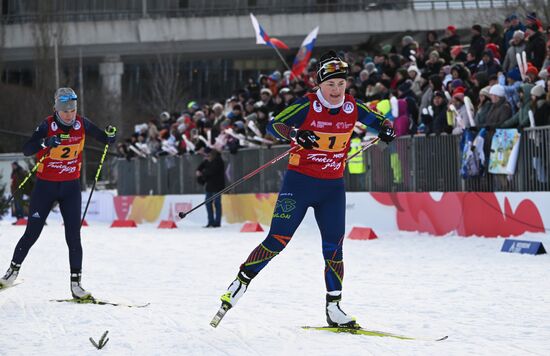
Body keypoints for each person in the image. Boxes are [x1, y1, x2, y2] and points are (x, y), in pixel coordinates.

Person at [218, 51, 396, 328]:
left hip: (333, 189)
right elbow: (273, 124)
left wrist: (386, 129)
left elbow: (381, 121)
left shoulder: (353, 107)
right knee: (278, 239)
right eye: (330, 85)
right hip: (299, 185)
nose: (336, 90)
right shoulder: (308, 105)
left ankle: (334, 306)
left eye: (341, 84)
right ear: (320, 85)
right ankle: (240, 281)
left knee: (334, 248)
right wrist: (295, 134)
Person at [0, 88, 117, 299]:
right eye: (65, 111)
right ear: (56, 109)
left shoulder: (82, 123)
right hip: (46, 187)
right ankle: (11, 272)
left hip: (71, 188)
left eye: (72, 110)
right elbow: (27, 148)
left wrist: (110, 135)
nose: (70, 115)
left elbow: (104, 139)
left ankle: (76, 285)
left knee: (73, 237)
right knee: (32, 233)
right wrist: (45, 142)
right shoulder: (47, 125)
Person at [196, 149, 225, 228]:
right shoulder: (208, 161)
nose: (207, 158)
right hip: (209, 186)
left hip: (217, 186)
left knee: (217, 203)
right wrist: (199, 171)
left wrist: (202, 173)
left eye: (208, 156)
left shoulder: (218, 161)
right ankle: (210, 221)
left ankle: (217, 222)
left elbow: (212, 171)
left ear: (212, 155)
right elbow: (200, 167)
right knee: (208, 203)